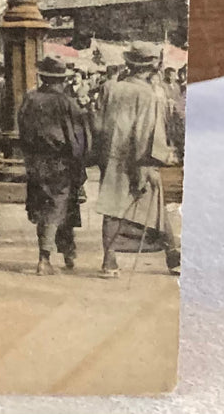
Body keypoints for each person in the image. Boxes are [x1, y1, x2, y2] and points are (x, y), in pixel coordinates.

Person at [94, 42, 180, 278]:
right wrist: (153, 162)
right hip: (141, 159)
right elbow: (146, 134)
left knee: (111, 208)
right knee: (157, 208)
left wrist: (103, 154)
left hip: (111, 157)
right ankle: (174, 258)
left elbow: (98, 125)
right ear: (152, 66)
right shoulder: (148, 95)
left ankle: (109, 262)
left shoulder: (110, 88)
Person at [19, 57, 89, 274]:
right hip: (61, 163)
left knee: (45, 207)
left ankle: (67, 251)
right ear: (62, 80)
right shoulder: (67, 103)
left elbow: (22, 132)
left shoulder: (29, 100)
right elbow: (79, 139)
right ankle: (45, 258)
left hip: (36, 162)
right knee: (59, 205)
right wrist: (80, 163)